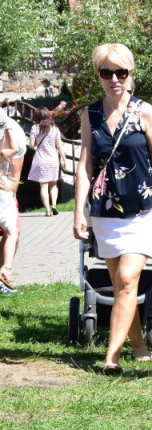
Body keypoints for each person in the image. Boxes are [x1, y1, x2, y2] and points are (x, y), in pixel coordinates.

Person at [73, 43, 152, 374]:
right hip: (104, 212)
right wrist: (78, 211)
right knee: (122, 288)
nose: (114, 79)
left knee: (130, 279)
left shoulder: (144, 111)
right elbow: (86, 164)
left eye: (121, 72)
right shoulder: (90, 114)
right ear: (98, 76)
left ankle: (111, 356)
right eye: (107, 72)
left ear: (131, 73)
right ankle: (138, 344)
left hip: (143, 209)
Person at [0, 110, 27, 293]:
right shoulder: (13, 136)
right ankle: (6, 271)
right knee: (12, 231)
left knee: (11, 232)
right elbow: (15, 150)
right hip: (4, 191)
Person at [27, 108, 65, 217]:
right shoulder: (54, 129)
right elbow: (59, 146)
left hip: (40, 159)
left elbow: (31, 145)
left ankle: (47, 211)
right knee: (53, 184)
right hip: (53, 160)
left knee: (43, 186)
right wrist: (64, 159)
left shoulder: (35, 128)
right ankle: (54, 205)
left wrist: (36, 143)